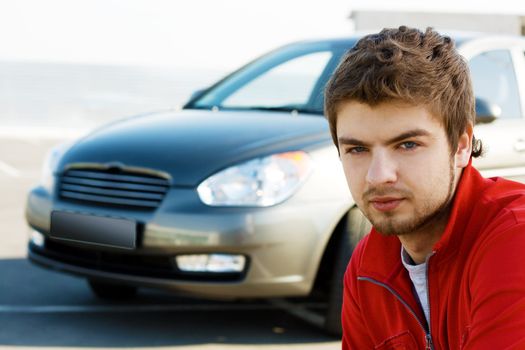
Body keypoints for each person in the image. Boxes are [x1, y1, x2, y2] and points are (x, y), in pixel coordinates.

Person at [324, 26, 525, 349]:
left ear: (461, 145)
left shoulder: (515, 238)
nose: (378, 176)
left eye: (407, 145)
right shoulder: (367, 265)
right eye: (357, 149)